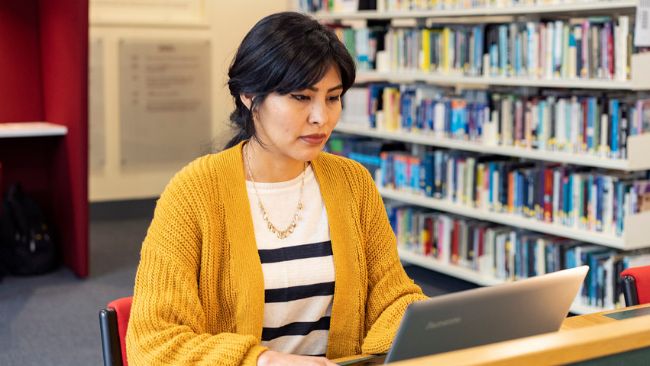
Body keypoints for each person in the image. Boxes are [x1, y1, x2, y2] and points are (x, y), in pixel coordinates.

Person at [126, 11, 427, 366]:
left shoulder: (352, 183)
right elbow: (153, 342)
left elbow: (392, 298)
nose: (321, 118)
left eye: (333, 98)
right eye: (301, 97)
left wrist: (424, 326)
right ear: (249, 96)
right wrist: (262, 361)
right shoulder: (194, 193)